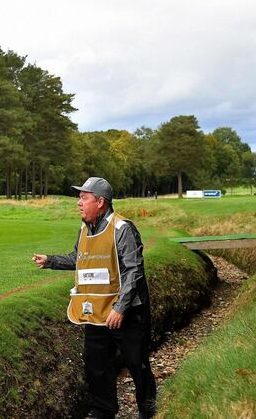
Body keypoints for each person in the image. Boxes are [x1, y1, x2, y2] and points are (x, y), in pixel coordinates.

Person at [32, 177, 157, 419]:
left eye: (84, 197)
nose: (79, 203)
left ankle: (148, 409)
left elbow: (134, 271)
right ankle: (103, 410)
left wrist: (120, 309)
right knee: (95, 363)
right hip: (95, 311)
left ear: (100, 202)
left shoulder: (123, 229)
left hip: (127, 312)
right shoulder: (83, 229)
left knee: (136, 362)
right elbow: (79, 259)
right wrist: (50, 261)